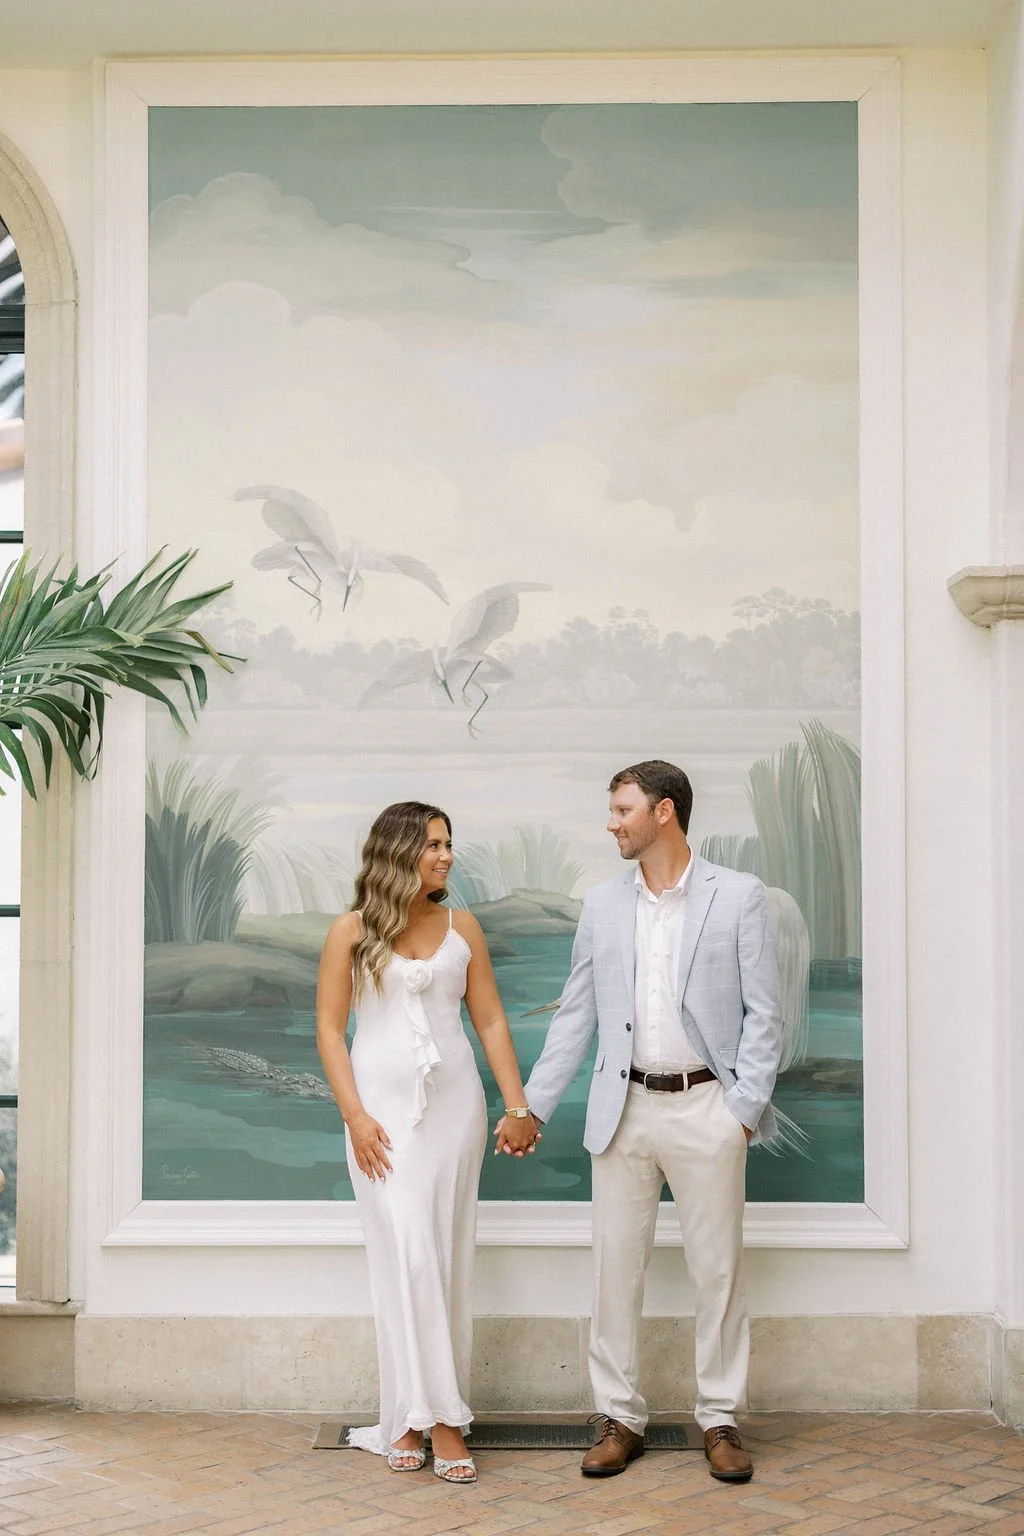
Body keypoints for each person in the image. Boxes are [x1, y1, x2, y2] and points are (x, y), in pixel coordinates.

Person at [496, 760, 782, 1485]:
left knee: (717, 1271)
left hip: (707, 1109)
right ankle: (619, 1417)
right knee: (613, 1272)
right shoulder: (602, 905)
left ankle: (718, 1418)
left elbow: (765, 1019)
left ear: (665, 812)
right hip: (620, 1111)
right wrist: (531, 1107)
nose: (611, 822)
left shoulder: (740, 897)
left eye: (623, 809)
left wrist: (739, 1112)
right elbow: (577, 1016)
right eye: (612, 809)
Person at [317, 801, 539, 1485]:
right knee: (405, 1254)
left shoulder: (460, 926)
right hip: (378, 1118)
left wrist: (517, 1104)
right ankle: (425, 1415)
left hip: (455, 1113)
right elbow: (329, 1030)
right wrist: (354, 1117)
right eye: (433, 844)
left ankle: (430, 1417)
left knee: (441, 1254)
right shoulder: (350, 932)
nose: (446, 856)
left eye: (449, 843)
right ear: (397, 850)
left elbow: (492, 1021)